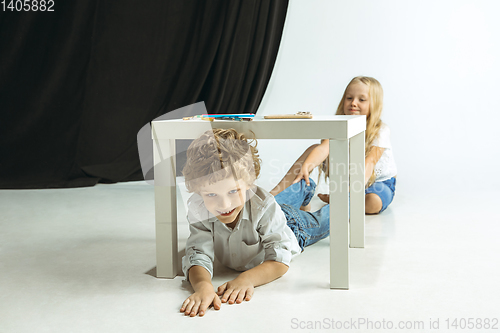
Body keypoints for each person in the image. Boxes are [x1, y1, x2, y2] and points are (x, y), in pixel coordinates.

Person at [180, 128, 330, 317]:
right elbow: (197, 254)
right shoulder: (198, 207)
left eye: (233, 191)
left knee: (329, 217)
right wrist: (203, 287)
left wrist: (247, 279)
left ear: (250, 184)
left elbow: (279, 260)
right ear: (198, 191)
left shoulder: (264, 205)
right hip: (272, 212)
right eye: (211, 195)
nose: (224, 205)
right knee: (283, 197)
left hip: (294, 227)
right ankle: (305, 189)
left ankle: (342, 197)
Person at [270, 76, 397, 214]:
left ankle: (339, 199)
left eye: (361, 100)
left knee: (373, 202)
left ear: (374, 104)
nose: (354, 103)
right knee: (313, 150)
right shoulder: (338, 126)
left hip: (377, 183)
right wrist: (307, 165)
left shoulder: (380, 130)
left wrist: (351, 190)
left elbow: (369, 163)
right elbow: (324, 149)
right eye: (349, 98)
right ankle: (273, 195)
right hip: (346, 179)